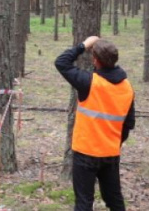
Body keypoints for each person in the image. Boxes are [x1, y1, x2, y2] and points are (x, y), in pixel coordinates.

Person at [55, 36, 136, 211]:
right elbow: (129, 124)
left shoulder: (89, 82)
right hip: (111, 153)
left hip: (85, 152)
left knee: (84, 203)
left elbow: (61, 62)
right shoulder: (127, 87)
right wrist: (114, 143)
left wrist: (83, 45)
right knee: (115, 201)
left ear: (95, 60)